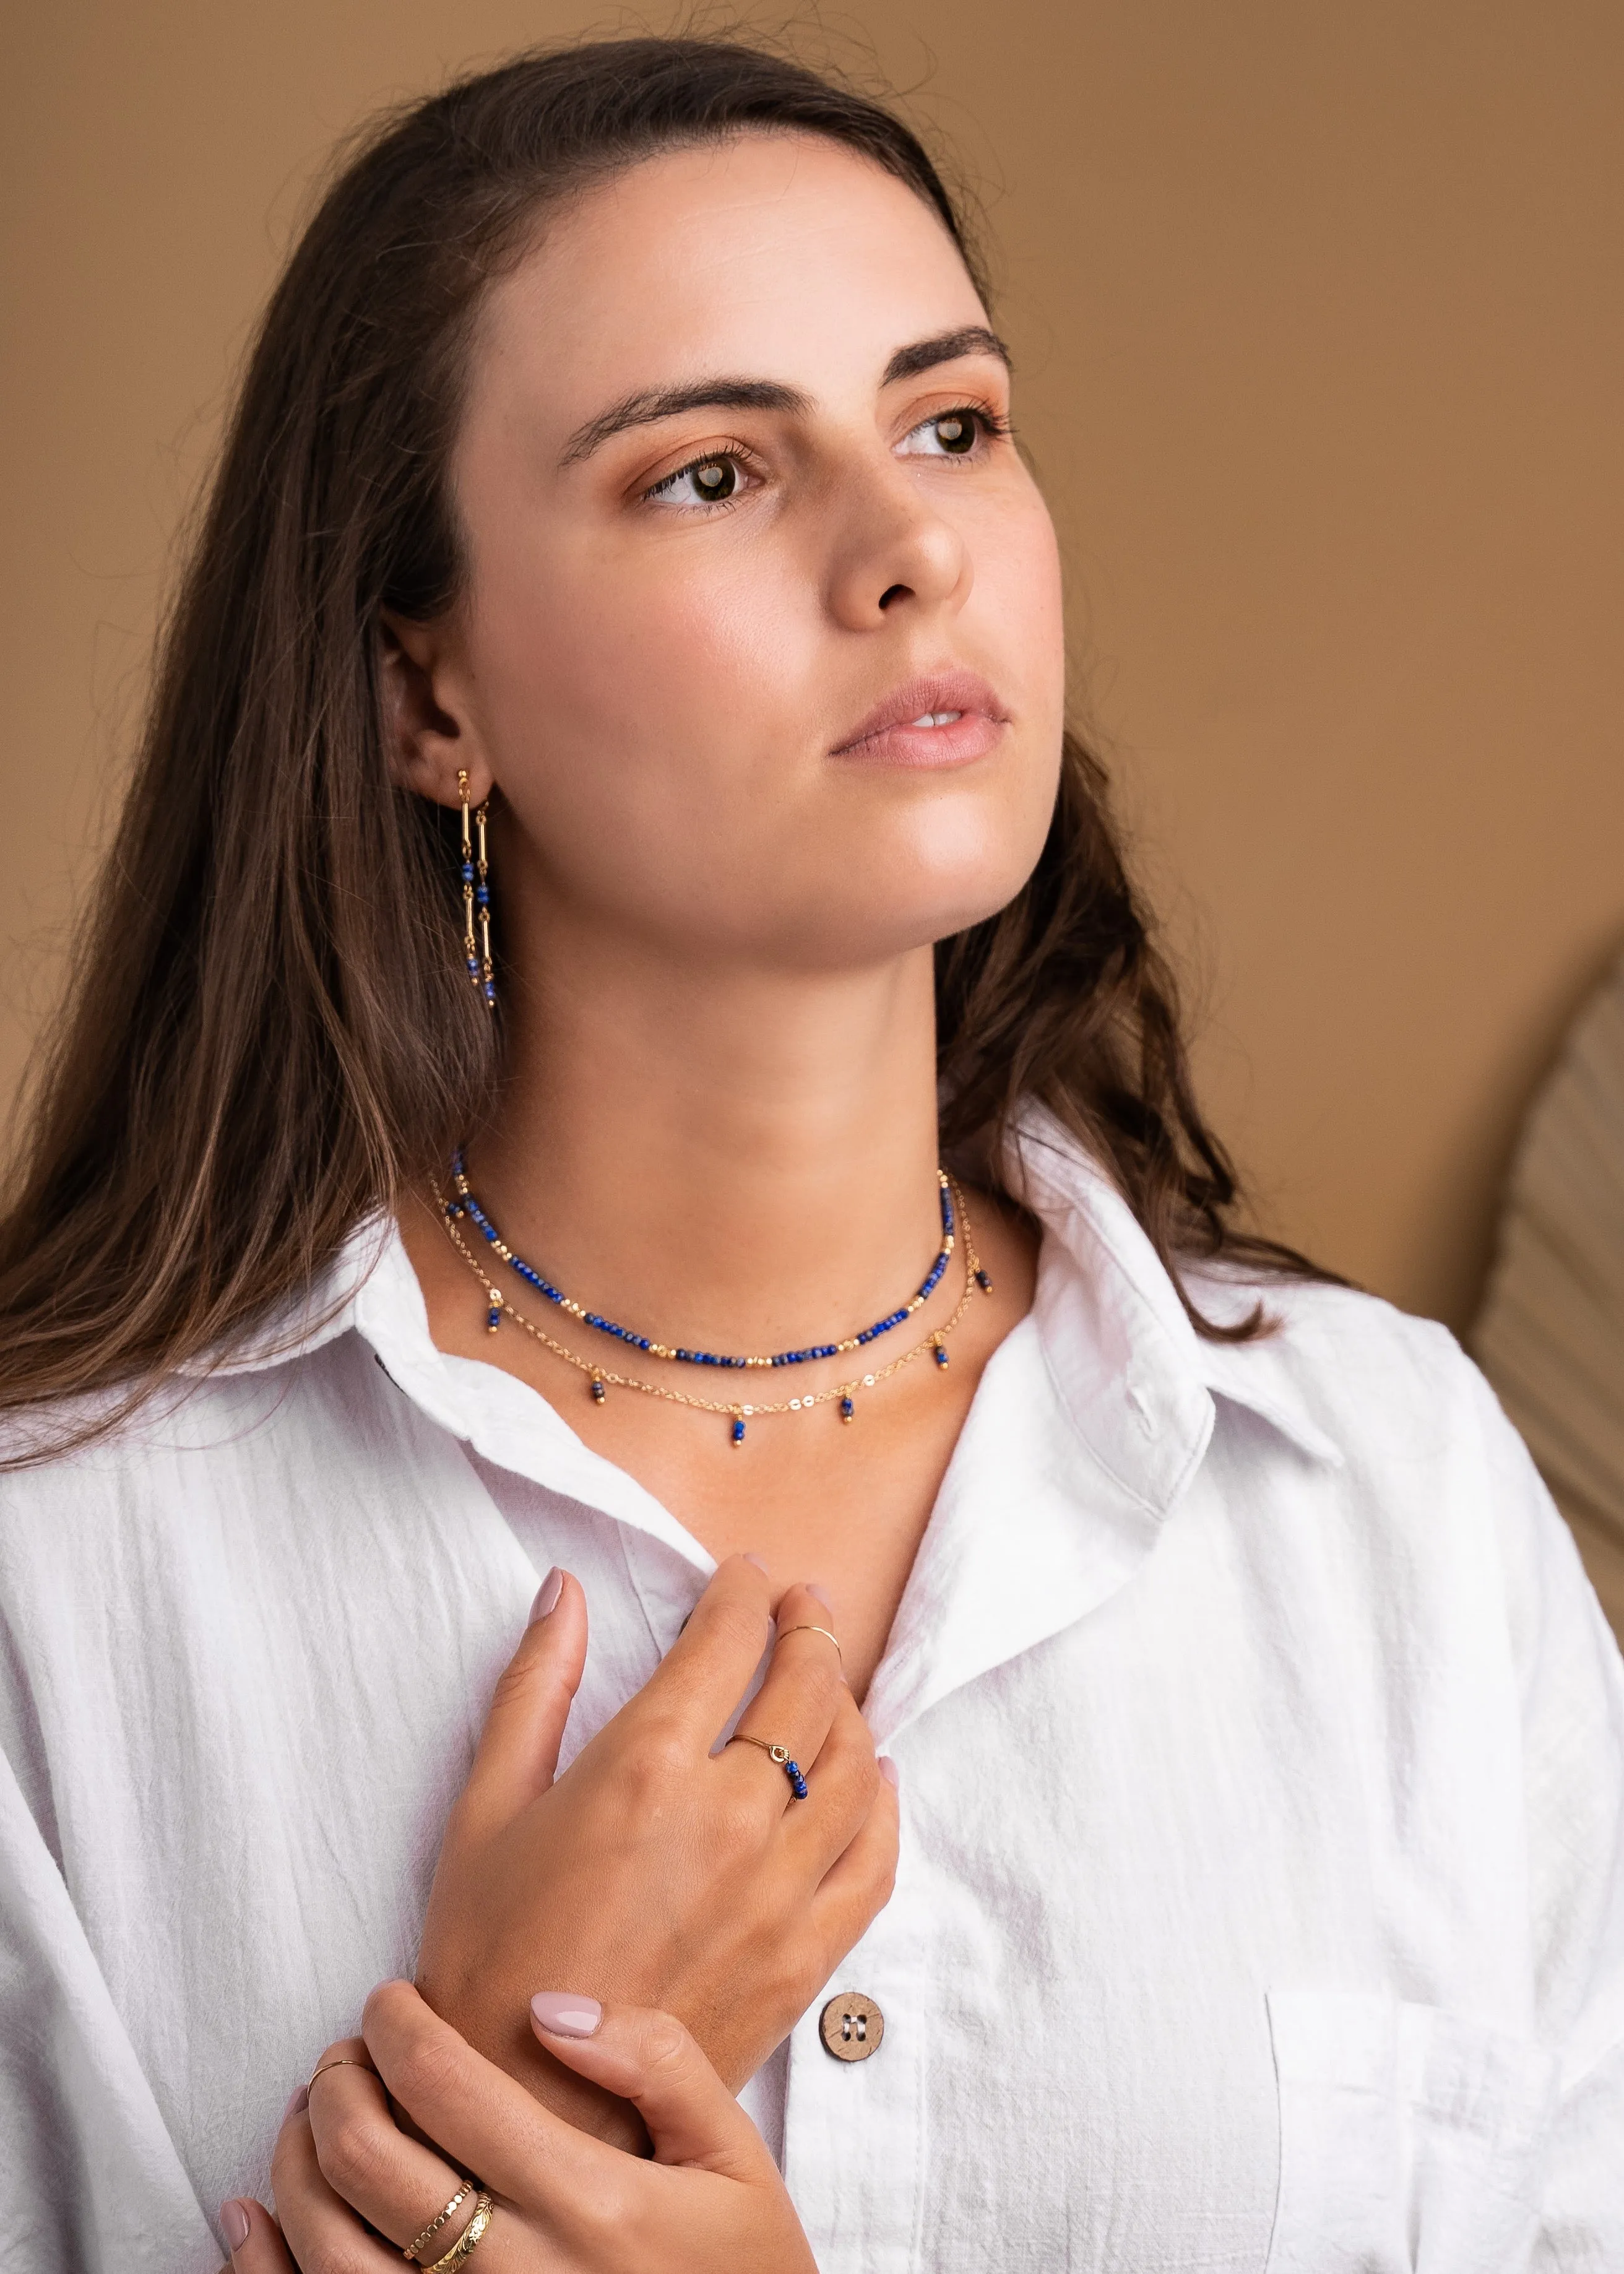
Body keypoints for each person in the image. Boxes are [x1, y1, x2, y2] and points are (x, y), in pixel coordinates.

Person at [1, 35, 1620, 2274]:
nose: (910, 547)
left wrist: (478, 2107)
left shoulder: (1397, 1500)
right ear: (424, 693)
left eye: (951, 423)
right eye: (708, 475)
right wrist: (499, 2088)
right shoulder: (56, 1571)